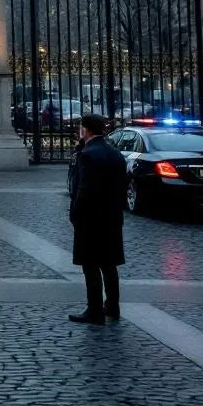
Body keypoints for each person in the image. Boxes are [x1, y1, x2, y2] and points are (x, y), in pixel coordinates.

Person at [68, 113, 126, 325]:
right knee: (109, 264)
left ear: (86, 130)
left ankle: (94, 310)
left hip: (91, 219)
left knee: (90, 265)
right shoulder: (115, 153)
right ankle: (112, 306)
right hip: (112, 217)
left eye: (80, 127)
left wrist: (75, 213)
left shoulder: (87, 155)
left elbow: (84, 189)